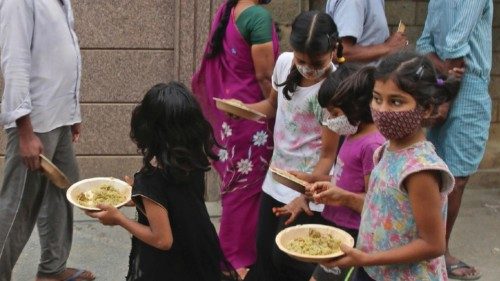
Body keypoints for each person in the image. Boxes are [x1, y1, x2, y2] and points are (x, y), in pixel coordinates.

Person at [321, 52, 459, 280]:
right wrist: (342, 196)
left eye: (396, 101)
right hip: (373, 270)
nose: (383, 110)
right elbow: (385, 209)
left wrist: (366, 259)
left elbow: (433, 245)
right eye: (377, 98)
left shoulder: (420, 169)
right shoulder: (386, 150)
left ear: (425, 109)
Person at [86, 82, 239, 281]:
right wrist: (134, 195)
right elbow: (177, 204)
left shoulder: (151, 181)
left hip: (169, 266)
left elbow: (162, 239)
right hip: (198, 249)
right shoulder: (193, 163)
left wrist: (119, 219)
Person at [0, 0, 94, 280]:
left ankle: (52, 270)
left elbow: (60, 59)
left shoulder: (59, 2)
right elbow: (14, 63)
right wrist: (25, 132)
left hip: (59, 118)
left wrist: (73, 113)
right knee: (18, 207)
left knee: (62, 194)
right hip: (34, 123)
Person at [244, 11, 340, 281]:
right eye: (301, 60)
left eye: (316, 62)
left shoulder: (334, 89)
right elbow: (273, 105)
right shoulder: (284, 64)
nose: (308, 68)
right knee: (264, 252)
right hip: (276, 179)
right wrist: (242, 110)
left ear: (334, 50)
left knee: (290, 260)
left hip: (308, 188)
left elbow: (328, 156)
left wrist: (306, 196)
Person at [191, 0, 279, 277]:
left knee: (236, 191)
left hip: (235, 117)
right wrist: (279, 111)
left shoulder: (231, 9)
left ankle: (233, 255)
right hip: (254, 118)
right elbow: (266, 76)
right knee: (245, 193)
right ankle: (235, 260)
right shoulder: (257, 17)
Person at [416, 1, 493, 279]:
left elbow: (426, 46)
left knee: (442, 173)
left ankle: (428, 246)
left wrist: (442, 81)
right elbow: (454, 45)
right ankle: (440, 253)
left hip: (444, 81)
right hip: (462, 86)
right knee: (455, 177)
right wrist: (447, 93)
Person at [303, 66, 385, 281]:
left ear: (355, 106)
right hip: (336, 226)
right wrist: (313, 181)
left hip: (355, 233)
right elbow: (346, 180)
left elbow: (374, 202)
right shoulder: (352, 134)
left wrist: (342, 197)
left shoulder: (372, 145)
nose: (330, 119)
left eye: (336, 113)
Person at [325, 0, 407, 65]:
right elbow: (338, 53)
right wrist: (388, 48)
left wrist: (390, 44)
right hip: (353, 83)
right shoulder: (351, 2)